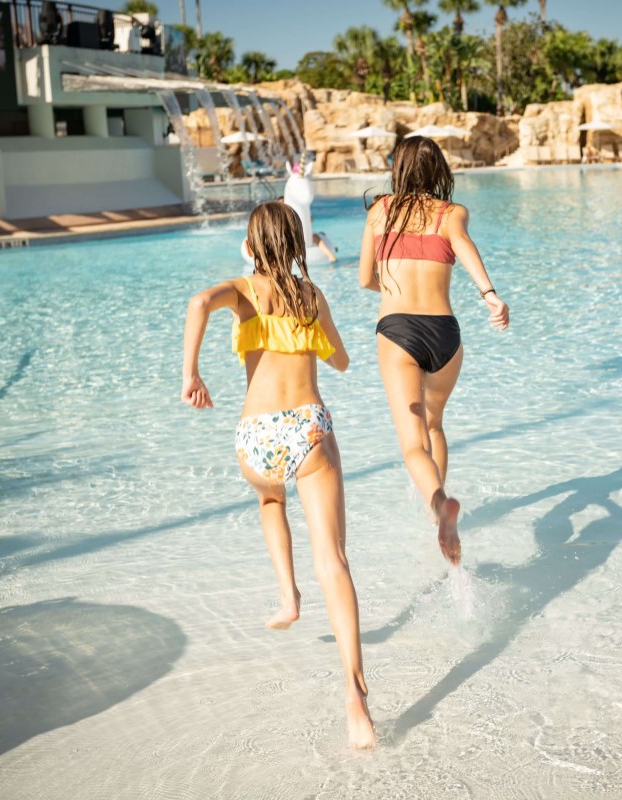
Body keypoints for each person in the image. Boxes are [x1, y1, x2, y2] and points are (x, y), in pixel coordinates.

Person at [181, 201, 375, 750]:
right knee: (333, 559)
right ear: (298, 246)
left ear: (250, 244)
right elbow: (339, 360)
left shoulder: (243, 291)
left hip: (256, 435)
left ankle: (288, 598)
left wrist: (191, 373)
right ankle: (356, 694)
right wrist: (324, 346)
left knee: (270, 503)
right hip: (308, 429)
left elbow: (198, 302)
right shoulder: (311, 295)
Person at [358, 136, 509, 567]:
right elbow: (463, 247)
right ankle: (437, 513)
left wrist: (390, 287)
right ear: (439, 170)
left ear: (398, 169)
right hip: (446, 334)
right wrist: (490, 296)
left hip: (398, 329)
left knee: (412, 444)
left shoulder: (380, 211)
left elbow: (364, 278)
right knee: (435, 424)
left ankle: (439, 505)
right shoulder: (452, 214)